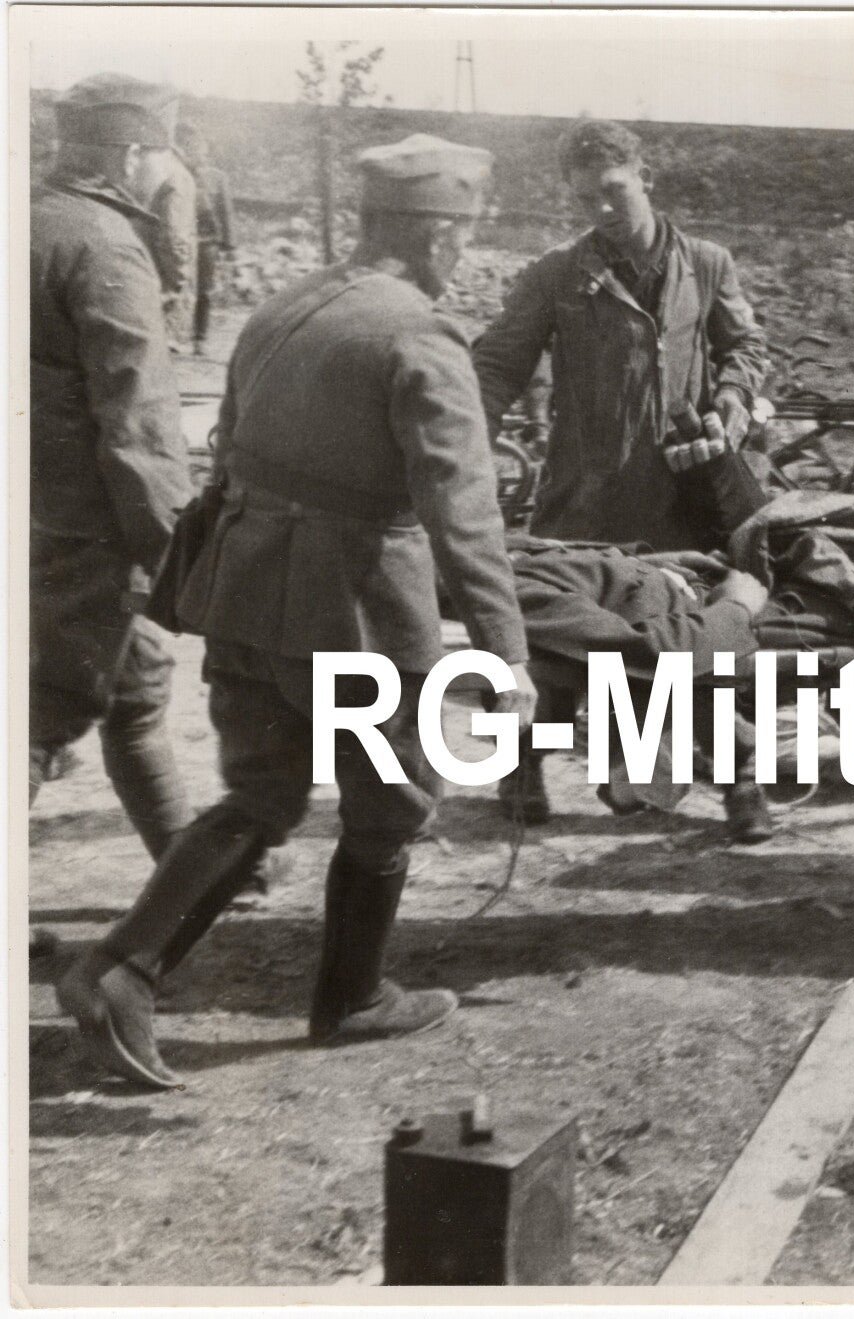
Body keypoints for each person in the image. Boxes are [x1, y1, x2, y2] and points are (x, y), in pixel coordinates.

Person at [60, 134, 537, 1090]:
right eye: (464, 234)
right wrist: (504, 654)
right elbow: (465, 513)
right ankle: (352, 997)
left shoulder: (280, 309)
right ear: (438, 233)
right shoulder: (421, 338)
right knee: (396, 796)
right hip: (354, 612)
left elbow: (227, 447)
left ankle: (121, 967)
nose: (463, 254)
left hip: (241, 590)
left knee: (261, 794)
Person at [30, 73, 196, 861]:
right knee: (43, 713)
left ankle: (193, 866)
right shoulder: (106, 247)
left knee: (135, 690)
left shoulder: (27, 219)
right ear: (132, 154)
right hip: (87, 528)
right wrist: (183, 556)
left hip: (32, 514)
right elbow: (140, 425)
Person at [471, 119, 769, 550]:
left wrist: (733, 395)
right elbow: (496, 368)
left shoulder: (707, 264)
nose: (602, 210)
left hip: (683, 505)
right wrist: (462, 447)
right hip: (585, 509)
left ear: (645, 179)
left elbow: (745, 342)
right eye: (586, 199)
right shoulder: (556, 272)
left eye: (614, 191)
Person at [176, 123, 236, 357]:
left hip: (207, 242)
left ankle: (200, 338)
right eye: (193, 149)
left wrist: (229, 245)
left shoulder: (218, 178)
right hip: (182, 238)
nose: (199, 155)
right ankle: (175, 337)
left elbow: (226, 211)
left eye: (202, 150)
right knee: (177, 287)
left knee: (205, 290)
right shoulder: (179, 175)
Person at [145, 137, 197, 350]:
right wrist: (180, 274)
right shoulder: (179, 177)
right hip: (167, 280)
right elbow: (174, 234)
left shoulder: (153, 172)